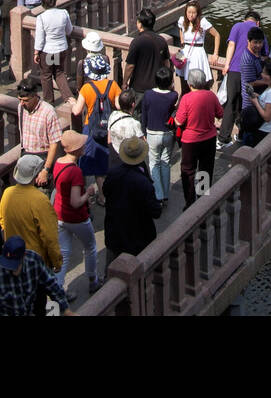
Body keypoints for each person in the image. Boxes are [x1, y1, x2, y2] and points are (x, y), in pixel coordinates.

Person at [0, 233, 69, 317]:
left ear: (24, 255)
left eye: (15, 264)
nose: (11, 269)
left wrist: (66, 310)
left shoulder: (34, 261)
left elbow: (51, 285)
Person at [69, 39, 120, 202]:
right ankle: (109, 193)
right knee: (108, 162)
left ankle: (101, 197)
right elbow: (119, 106)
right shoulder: (113, 85)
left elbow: (77, 111)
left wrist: (72, 102)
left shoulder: (86, 88)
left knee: (95, 164)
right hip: (110, 129)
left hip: (91, 128)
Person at [52, 132, 101, 298]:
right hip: (77, 217)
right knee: (90, 247)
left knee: (63, 254)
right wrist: (88, 193)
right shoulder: (75, 172)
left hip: (59, 215)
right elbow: (75, 202)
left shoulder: (58, 162)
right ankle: (93, 280)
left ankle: (58, 290)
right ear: (75, 149)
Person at [103, 135, 161, 273]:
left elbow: (105, 191)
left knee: (111, 272)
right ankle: (202, 193)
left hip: (114, 232)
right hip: (138, 238)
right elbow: (156, 211)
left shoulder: (113, 173)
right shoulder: (143, 182)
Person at [0, 156, 63, 273]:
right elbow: (50, 236)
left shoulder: (7, 193)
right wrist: (56, 261)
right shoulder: (40, 199)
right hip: (34, 261)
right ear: (36, 174)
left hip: (13, 257)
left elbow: (3, 222)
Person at [174, 70, 223, 209]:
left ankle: (190, 201)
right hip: (209, 138)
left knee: (188, 171)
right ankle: (202, 200)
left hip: (190, 141)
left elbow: (179, 121)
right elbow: (220, 113)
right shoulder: (211, 96)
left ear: (190, 84)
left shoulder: (187, 99)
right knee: (205, 169)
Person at [218, 10, 266, 148]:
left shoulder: (237, 26)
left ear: (245, 20)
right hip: (250, 73)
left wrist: (226, 65)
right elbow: (264, 55)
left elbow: (231, 45)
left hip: (234, 70)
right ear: (258, 22)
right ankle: (241, 135)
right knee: (246, 104)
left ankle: (223, 138)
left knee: (231, 103)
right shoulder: (259, 31)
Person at [141, 65, 178, 207]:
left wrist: (143, 132)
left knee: (154, 163)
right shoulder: (173, 96)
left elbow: (144, 114)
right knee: (165, 162)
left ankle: (159, 194)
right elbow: (173, 95)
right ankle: (166, 194)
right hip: (167, 133)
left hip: (152, 133)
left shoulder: (148, 94)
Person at [16, 78, 62, 185]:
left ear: (35, 96)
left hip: (42, 158)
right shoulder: (21, 108)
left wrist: (46, 170)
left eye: (26, 100)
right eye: (20, 100)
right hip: (26, 155)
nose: (22, 103)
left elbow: (54, 143)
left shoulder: (48, 112)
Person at [33, 0, 74, 105]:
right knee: (59, 73)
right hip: (60, 48)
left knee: (46, 75)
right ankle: (69, 97)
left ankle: (49, 101)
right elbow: (69, 30)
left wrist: (36, 52)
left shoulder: (41, 17)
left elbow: (40, 38)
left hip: (48, 50)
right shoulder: (63, 13)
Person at [124, 7, 171, 101]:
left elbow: (130, 66)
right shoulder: (162, 41)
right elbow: (167, 64)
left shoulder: (137, 42)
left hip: (139, 89)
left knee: (138, 115)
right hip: (157, 88)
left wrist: (124, 83)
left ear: (140, 24)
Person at [177, 1, 220, 94]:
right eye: (189, 12)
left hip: (197, 53)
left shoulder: (202, 22)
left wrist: (215, 53)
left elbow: (217, 35)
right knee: (184, 81)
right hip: (186, 52)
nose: (191, 15)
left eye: (193, 12)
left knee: (197, 82)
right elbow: (181, 29)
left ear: (197, 13)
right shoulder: (182, 21)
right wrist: (182, 41)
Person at [243, 58, 271, 146]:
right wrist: (258, 97)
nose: (262, 75)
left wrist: (255, 102)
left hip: (264, 130)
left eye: (265, 73)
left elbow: (267, 117)